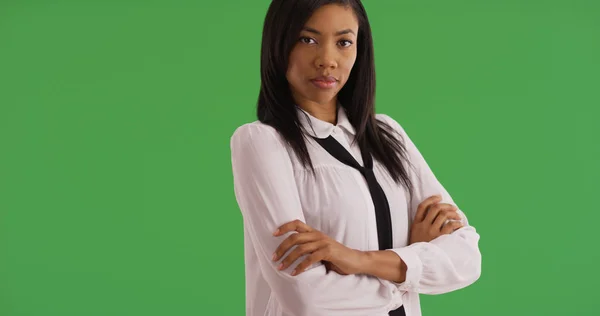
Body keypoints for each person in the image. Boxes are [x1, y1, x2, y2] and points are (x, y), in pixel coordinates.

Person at [229, 0, 482, 315]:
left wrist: (355, 259)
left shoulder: (389, 135)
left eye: (344, 42)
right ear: (279, 44)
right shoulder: (262, 143)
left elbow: (467, 257)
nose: (327, 60)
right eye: (307, 39)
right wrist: (409, 266)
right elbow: (308, 298)